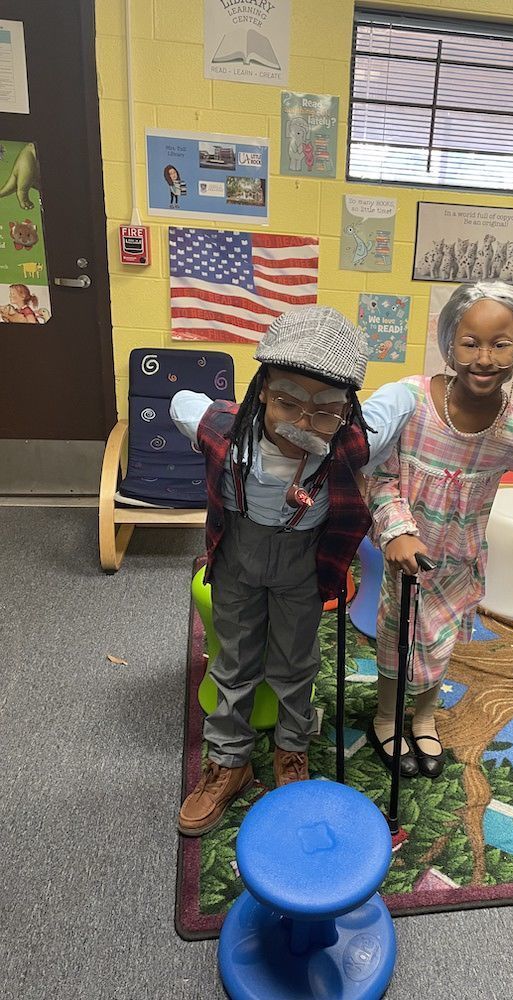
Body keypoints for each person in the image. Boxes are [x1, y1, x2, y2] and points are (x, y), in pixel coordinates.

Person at [170, 306, 415, 836]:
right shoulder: (223, 430)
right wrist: (209, 416)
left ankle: (291, 750)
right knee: (234, 659)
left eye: (325, 411)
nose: (303, 424)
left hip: (304, 562)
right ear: (262, 390)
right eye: (288, 402)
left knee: (296, 662)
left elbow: (404, 396)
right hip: (237, 556)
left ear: (346, 410)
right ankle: (229, 761)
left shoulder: (356, 439)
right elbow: (181, 402)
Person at [365, 281, 513, 780]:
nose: (484, 358)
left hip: (461, 561)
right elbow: (378, 476)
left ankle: (424, 716)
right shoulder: (413, 403)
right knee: (397, 636)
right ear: (449, 343)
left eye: (500, 344)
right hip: (408, 558)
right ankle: (386, 717)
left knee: (442, 640)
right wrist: (397, 531)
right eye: (470, 343)